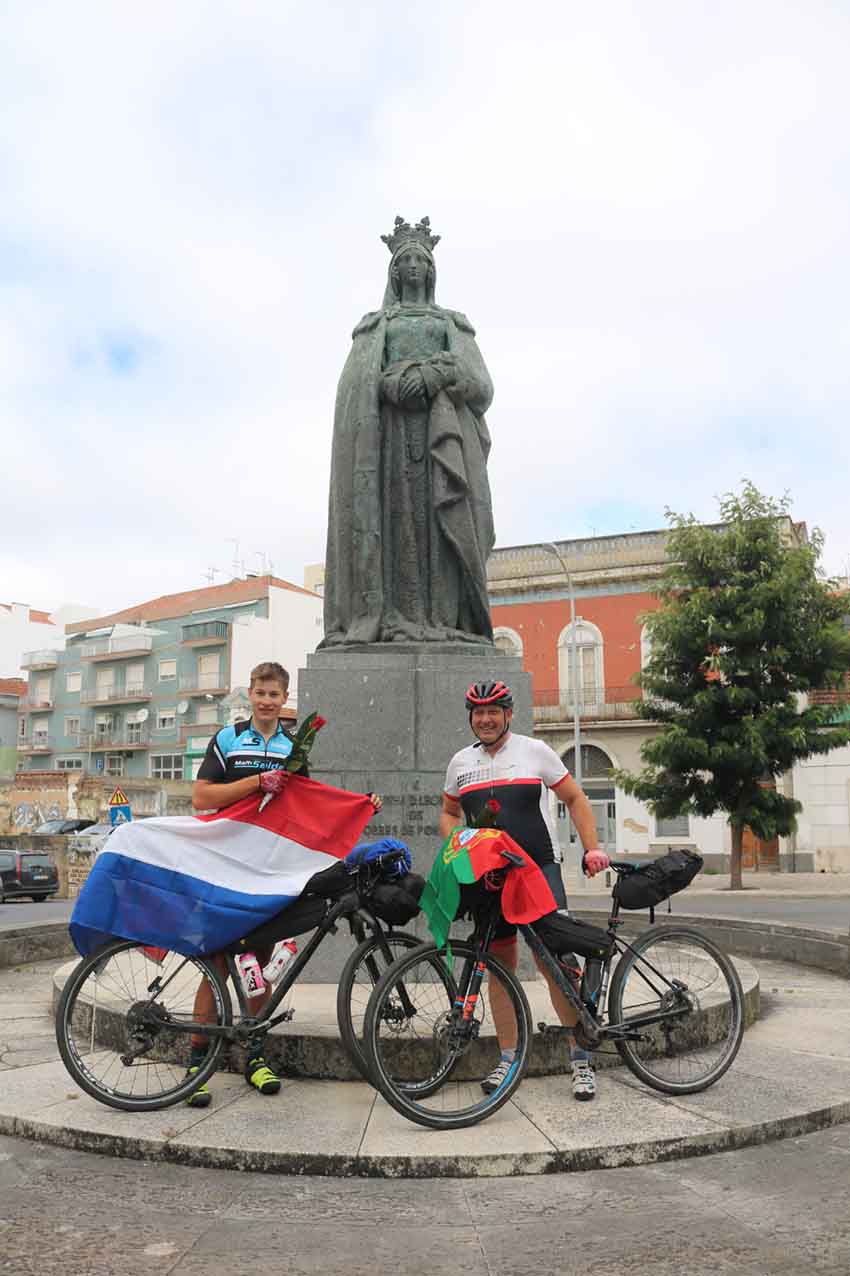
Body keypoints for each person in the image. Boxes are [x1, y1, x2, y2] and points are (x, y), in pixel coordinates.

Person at [186, 660, 380, 1107]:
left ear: (283, 699)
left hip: (269, 870)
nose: (267, 701)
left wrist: (360, 806)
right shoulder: (229, 738)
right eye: (261, 693)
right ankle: (197, 1065)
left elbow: (313, 807)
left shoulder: (294, 745)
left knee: (261, 958)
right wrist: (258, 781)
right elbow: (201, 796)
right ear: (250, 694)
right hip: (228, 861)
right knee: (215, 963)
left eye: (275, 695)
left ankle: (255, 1056)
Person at [322, 216, 496, 646]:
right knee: (395, 524)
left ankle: (443, 618)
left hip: (443, 439)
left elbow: (481, 385)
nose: (414, 266)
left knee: (440, 523)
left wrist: (436, 376)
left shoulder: (452, 323)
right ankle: (396, 614)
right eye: (407, 260)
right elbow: (354, 388)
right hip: (387, 444)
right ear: (395, 271)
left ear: (431, 270)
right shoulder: (373, 327)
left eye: (421, 259)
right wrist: (388, 383)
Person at [440, 681, 610, 1101]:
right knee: (498, 965)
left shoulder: (535, 751)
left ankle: (581, 1060)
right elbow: (448, 812)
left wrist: (592, 848)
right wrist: (455, 845)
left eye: (493, 711)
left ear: (508, 714)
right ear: (470, 717)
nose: (485, 718)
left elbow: (574, 797)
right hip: (489, 876)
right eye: (478, 712)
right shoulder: (461, 762)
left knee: (555, 961)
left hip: (538, 869)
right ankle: (508, 1057)